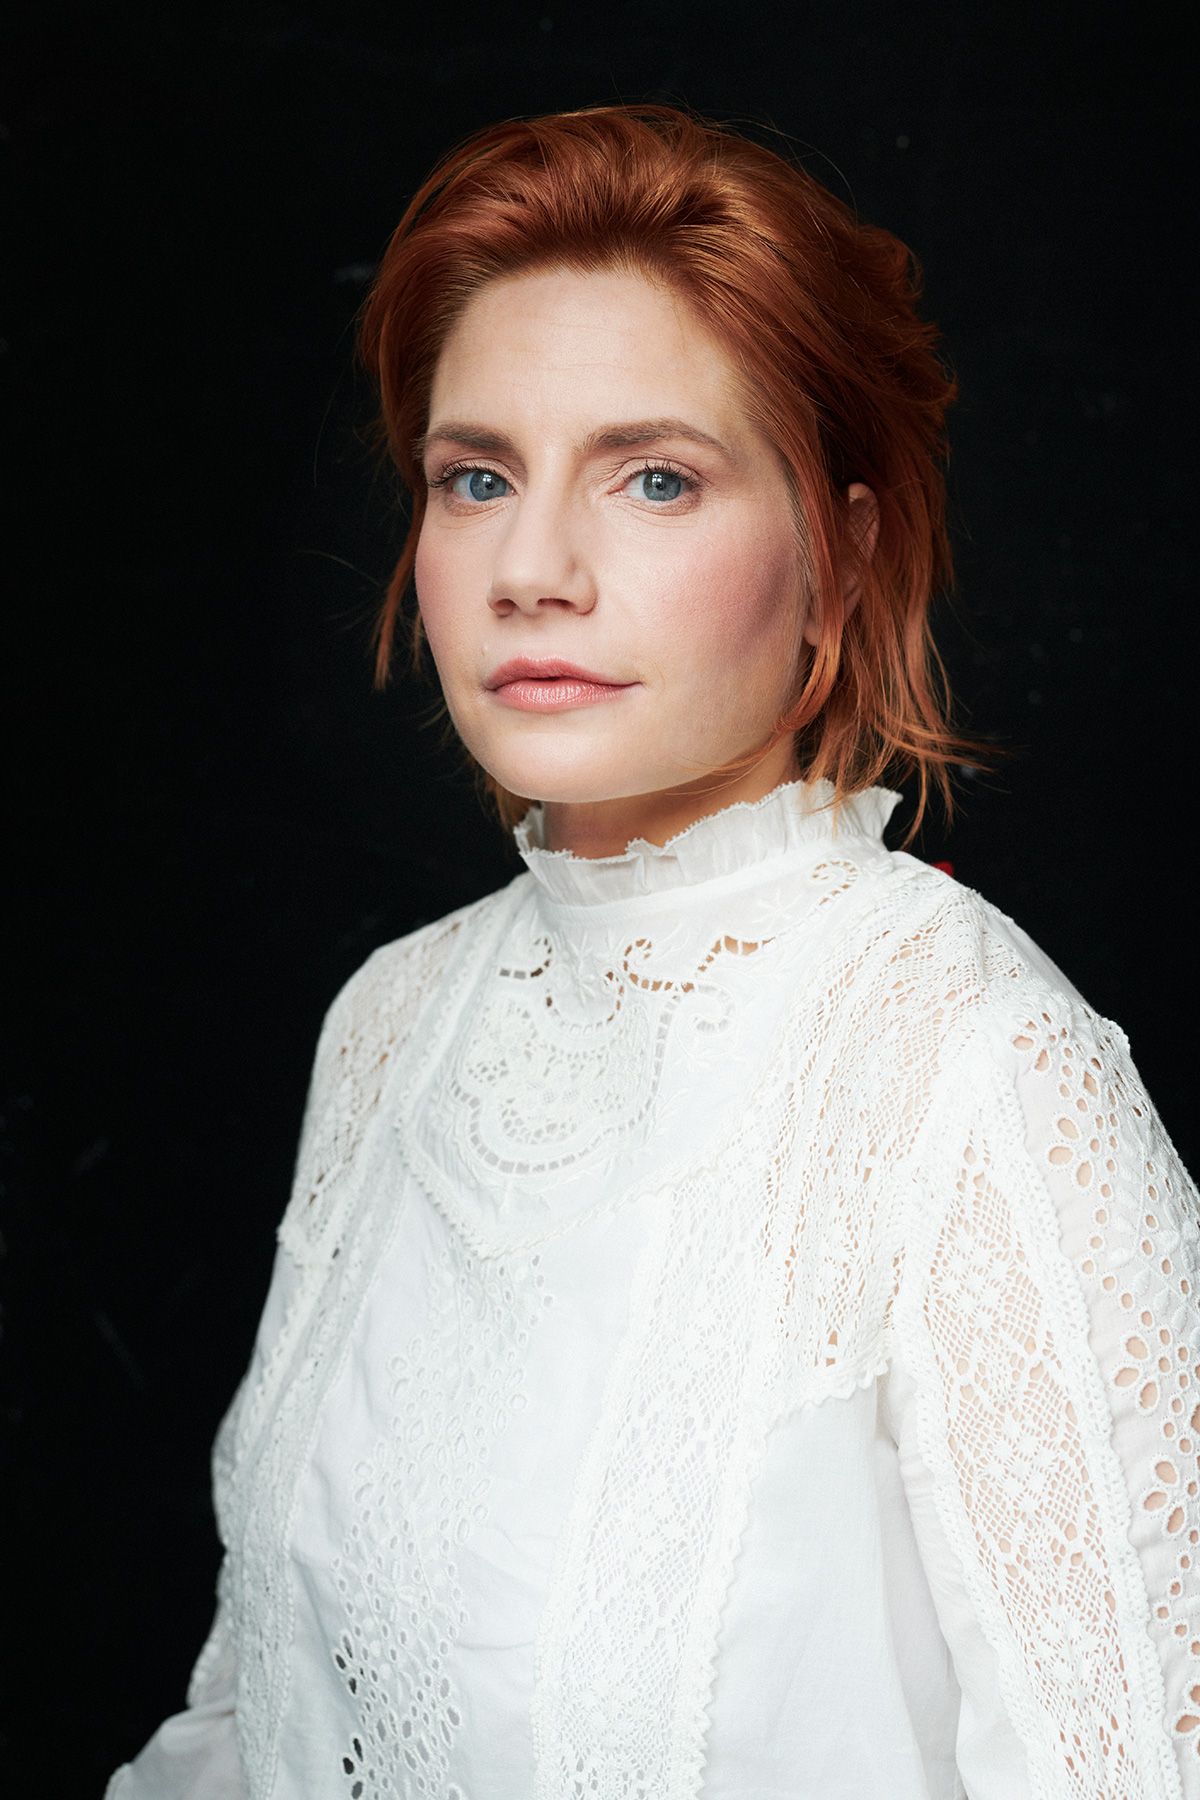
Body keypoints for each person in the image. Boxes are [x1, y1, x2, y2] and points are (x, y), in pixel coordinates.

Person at [105, 103, 1200, 1799]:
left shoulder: (973, 1066)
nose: (531, 569)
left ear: (839, 559)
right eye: (477, 478)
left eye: (656, 479)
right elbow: (262, 1722)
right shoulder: (392, 1022)